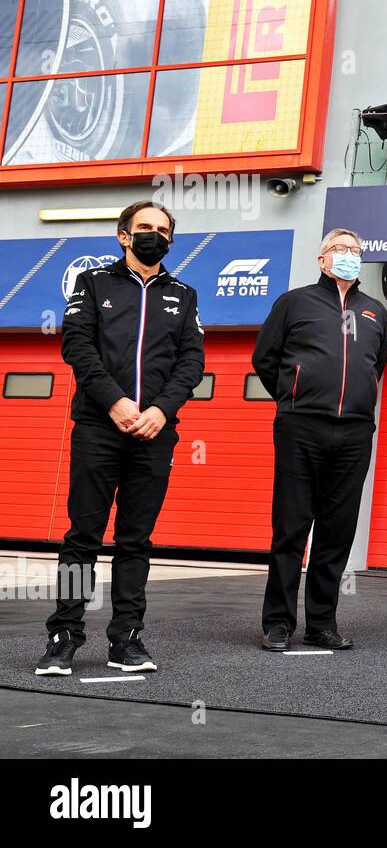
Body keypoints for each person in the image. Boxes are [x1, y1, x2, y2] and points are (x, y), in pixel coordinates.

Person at [37, 201, 205, 677]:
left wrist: (160, 410)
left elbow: (191, 362)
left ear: (171, 239)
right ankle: (63, 637)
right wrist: (114, 402)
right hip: (98, 427)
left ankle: (126, 640)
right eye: (144, 227)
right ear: (123, 236)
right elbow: (77, 346)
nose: (154, 234)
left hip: (155, 432)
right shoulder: (93, 284)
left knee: (136, 540)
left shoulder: (184, 294)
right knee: (82, 537)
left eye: (163, 229)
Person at [251, 228, 387, 652]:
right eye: (339, 249)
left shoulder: (375, 311)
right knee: (291, 528)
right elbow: (265, 357)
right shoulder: (295, 302)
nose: (348, 255)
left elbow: (376, 364)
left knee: (337, 530)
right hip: (301, 427)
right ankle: (278, 623)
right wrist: (294, 395)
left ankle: (321, 624)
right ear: (321, 259)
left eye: (355, 250)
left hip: (353, 432)